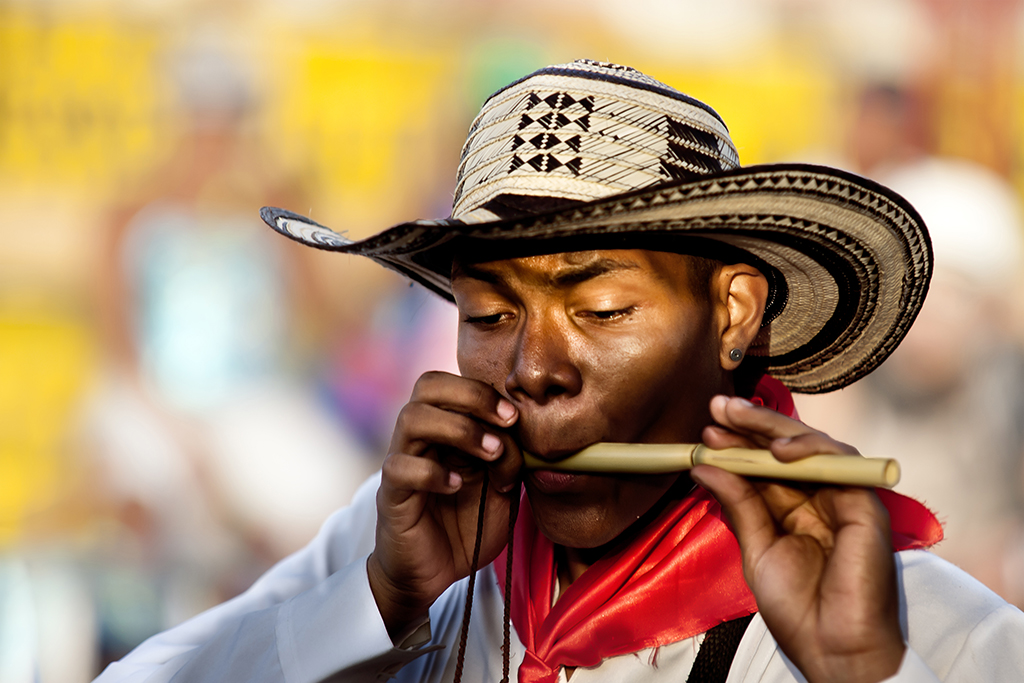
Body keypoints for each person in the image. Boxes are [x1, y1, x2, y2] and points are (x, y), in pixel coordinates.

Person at [94, 60, 1024, 683]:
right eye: (490, 316)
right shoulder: (414, 555)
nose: (533, 368)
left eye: (602, 310)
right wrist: (376, 600)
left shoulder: (928, 632)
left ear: (733, 312)